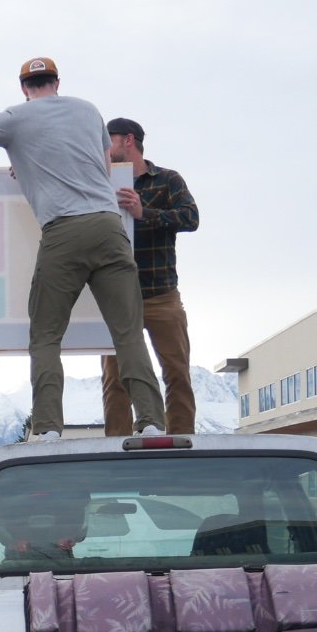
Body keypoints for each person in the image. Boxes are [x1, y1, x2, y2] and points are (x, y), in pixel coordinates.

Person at [0, 57, 165, 439]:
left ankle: (48, 429)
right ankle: (151, 422)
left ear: (23, 88)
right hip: (109, 227)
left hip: (63, 231)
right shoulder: (89, 111)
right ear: (58, 83)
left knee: (46, 336)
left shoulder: (15, 118)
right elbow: (102, 169)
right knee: (127, 332)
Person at [101, 118, 199, 435]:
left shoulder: (167, 180)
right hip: (117, 299)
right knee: (115, 379)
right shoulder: (98, 179)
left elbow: (191, 217)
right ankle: (116, 447)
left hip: (161, 295)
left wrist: (145, 213)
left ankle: (182, 441)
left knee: (177, 372)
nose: (103, 145)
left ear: (128, 140)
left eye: (109, 139)